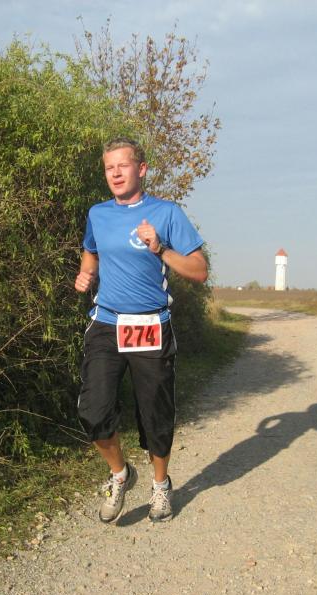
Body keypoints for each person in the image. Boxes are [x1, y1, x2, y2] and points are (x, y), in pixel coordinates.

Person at [74, 137, 208, 523]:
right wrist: (86, 274)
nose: (115, 173)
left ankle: (161, 485)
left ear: (142, 169)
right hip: (106, 322)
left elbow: (199, 270)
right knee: (93, 411)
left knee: (155, 414)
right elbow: (91, 250)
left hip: (150, 325)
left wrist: (160, 249)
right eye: (109, 168)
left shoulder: (166, 213)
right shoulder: (98, 214)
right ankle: (120, 474)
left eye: (123, 166)